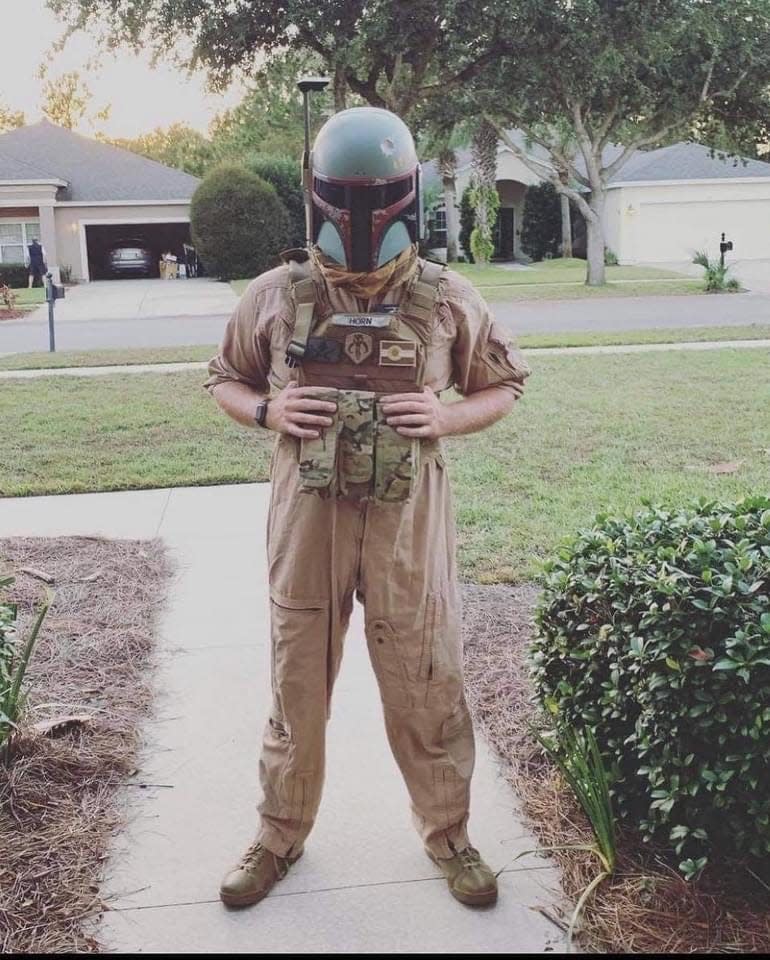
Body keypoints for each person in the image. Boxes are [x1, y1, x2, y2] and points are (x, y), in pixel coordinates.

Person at [204, 105, 531, 910]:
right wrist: (267, 412)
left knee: (427, 678)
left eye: (377, 193)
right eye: (345, 193)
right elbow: (223, 377)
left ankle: (449, 833)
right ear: (318, 194)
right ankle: (278, 833)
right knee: (297, 680)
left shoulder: (451, 298)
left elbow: (504, 384)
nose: (360, 213)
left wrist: (446, 414)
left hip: (407, 527)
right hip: (306, 522)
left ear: (408, 191)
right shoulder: (274, 295)